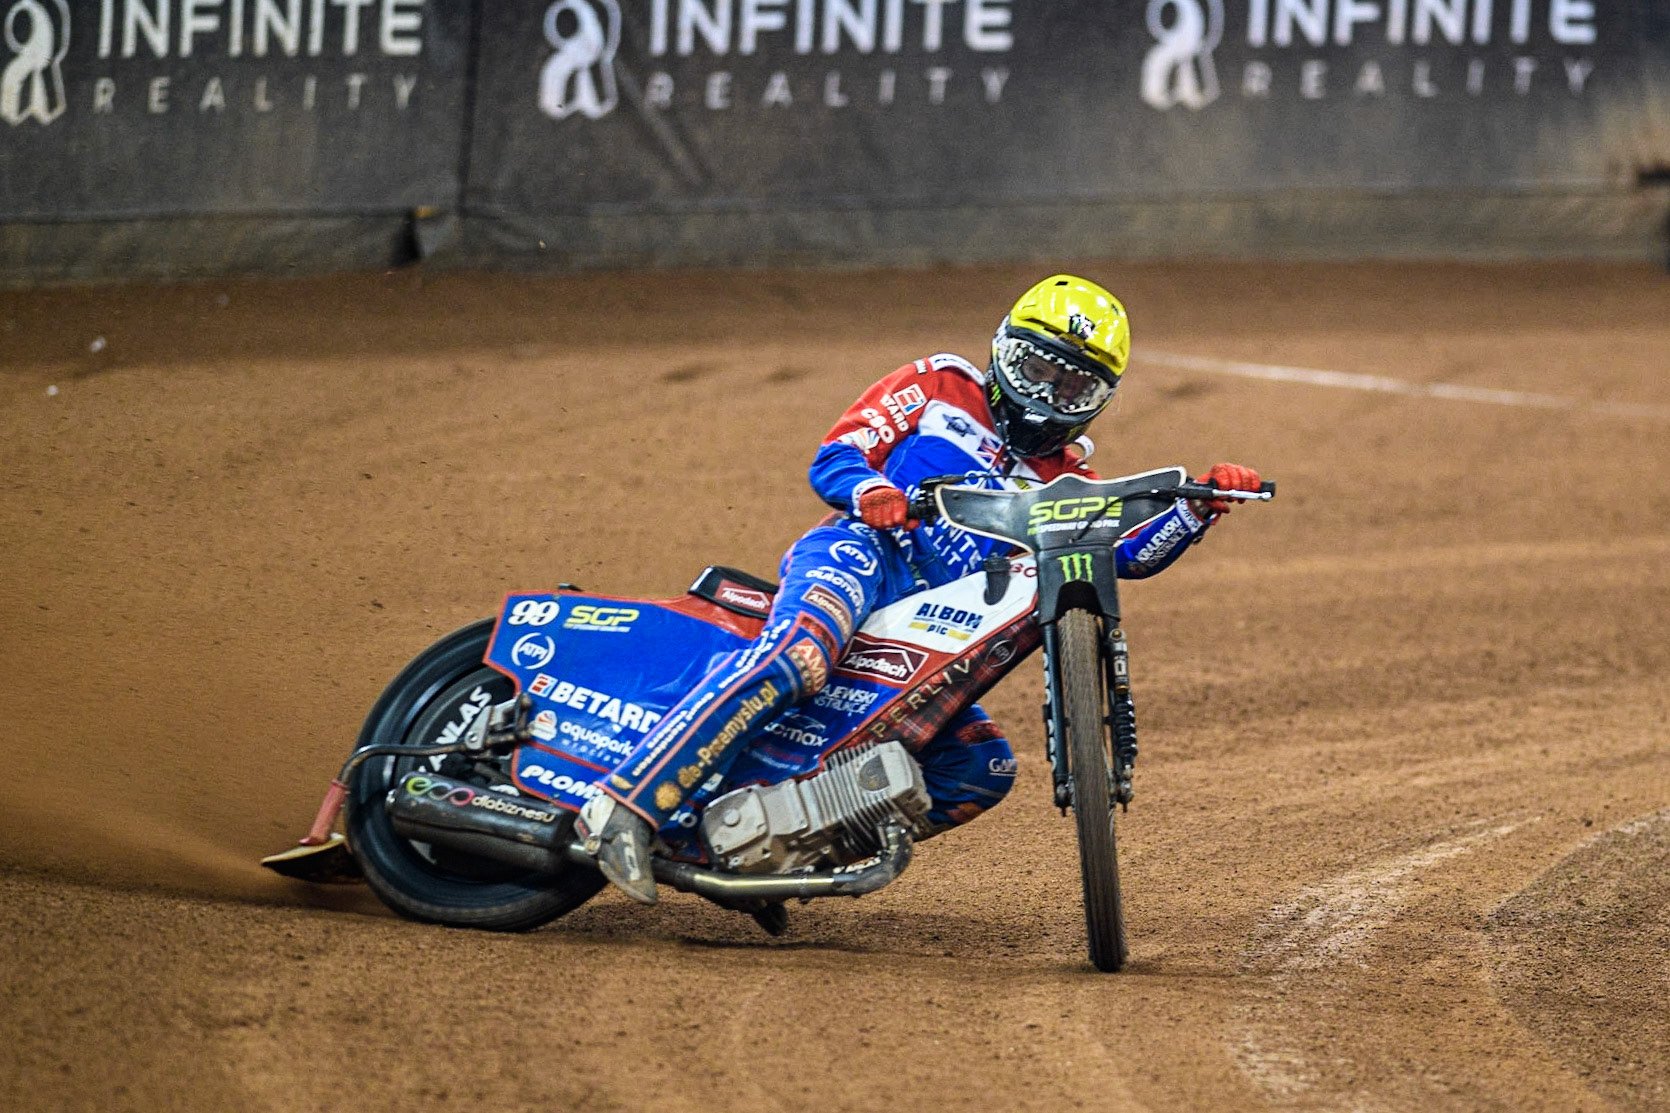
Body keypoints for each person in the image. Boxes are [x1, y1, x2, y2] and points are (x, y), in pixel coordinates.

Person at [577, 274, 1261, 903]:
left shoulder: (1062, 480)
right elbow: (839, 452)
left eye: (1071, 387)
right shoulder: (937, 383)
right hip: (861, 552)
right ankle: (625, 806)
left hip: (929, 623)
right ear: (1002, 351)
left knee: (981, 767)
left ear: (1098, 401)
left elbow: (1120, 556)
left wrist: (1194, 509)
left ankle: (773, 861)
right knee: (801, 656)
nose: (1047, 398)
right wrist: (871, 489)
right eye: (1036, 370)